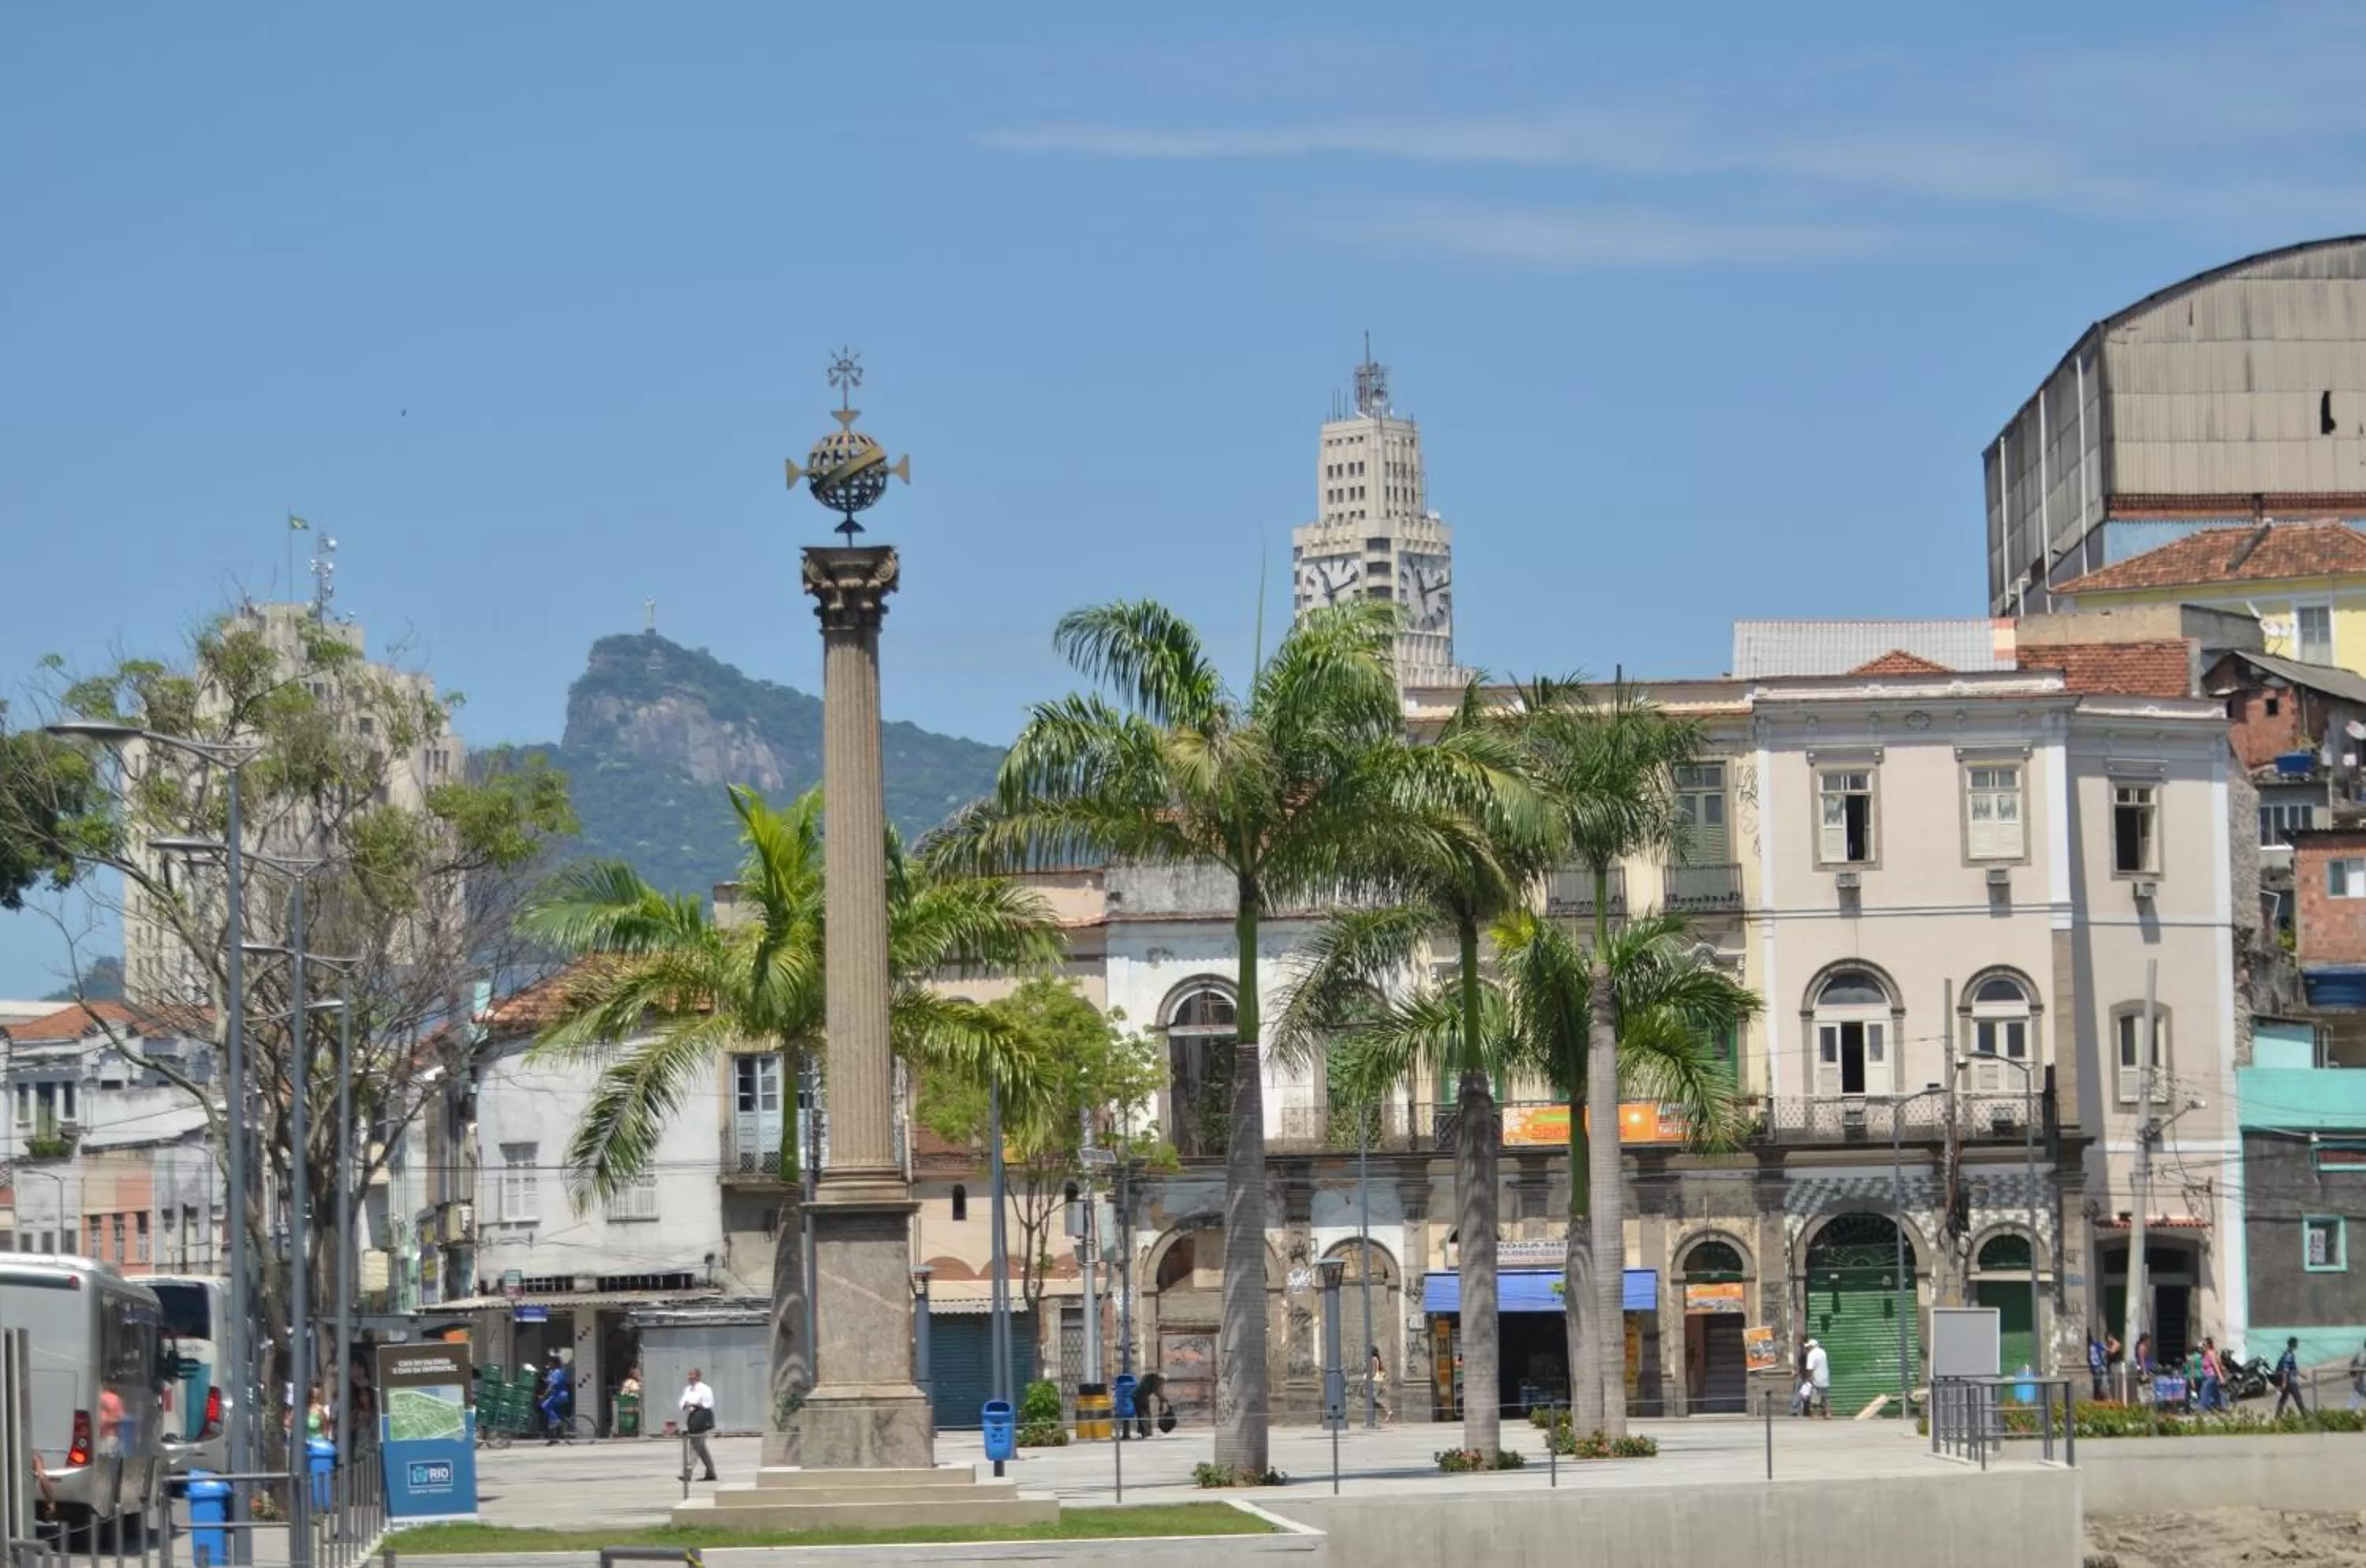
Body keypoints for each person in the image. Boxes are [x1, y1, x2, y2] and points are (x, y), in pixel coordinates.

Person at [679, 1368, 718, 1480]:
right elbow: (682, 1402)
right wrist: (685, 1404)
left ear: (698, 1377)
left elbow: (709, 1403)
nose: (690, 1377)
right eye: (689, 1375)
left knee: (695, 1447)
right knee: (701, 1448)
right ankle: (711, 1472)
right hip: (691, 1421)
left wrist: (696, 1404)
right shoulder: (688, 1390)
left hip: (701, 1421)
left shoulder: (705, 1389)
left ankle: (688, 1472)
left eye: (692, 1375)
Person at [539, 1357, 572, 1444]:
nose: (549, 1365)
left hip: (559, 1395)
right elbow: (549, 1381)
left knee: (546, 1406)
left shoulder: (557, 1372)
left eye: (550, 1363)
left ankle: (556, 1428)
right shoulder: (554, 1372)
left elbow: (552, 1385)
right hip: (558, 1395)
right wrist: (543, 1377)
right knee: (556, 1414)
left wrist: (545, 1395)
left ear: (555, 1364)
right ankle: (559, 1435)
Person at [2275, 1335, 2308, 1419]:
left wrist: (2301, 1375)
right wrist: (2284, 1383)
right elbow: (2285, 1370)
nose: (2298, 1345)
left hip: (2289, 1379)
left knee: (2283, 1399)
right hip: (2290, 1381)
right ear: (2293, 1344)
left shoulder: (2289, 1354)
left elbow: (2293, 1368)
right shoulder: (2288, 1355)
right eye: (2296, 1343)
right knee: (2298, 1398)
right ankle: (2305, 1416)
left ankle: (2277, 1417)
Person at [1804, 1337, 1831, 1419]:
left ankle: (1814, 1414)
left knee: (1815, 1396)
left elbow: (1810, 1368)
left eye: (1809, 1346)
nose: (1808, 1348)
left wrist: (1810, 1377)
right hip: (1825, 1377)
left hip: (1816, 1377)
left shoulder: (1811, 1354)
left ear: (1812, 1346)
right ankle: (1827, 1413)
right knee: (1825, 1396)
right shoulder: (1823, 1352)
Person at [1368, 1346, 1393, 1424]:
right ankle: (1384, 1414)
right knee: (1374, 1399)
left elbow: (1374, 1371)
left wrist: (1369, 1378)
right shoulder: (1377, 1359)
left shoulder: (1373, 1359)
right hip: (1379, 1381)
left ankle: (1387, 1411)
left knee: (1372, 1399)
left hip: (1376, 1381)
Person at [2200, 1338, 2226, 1413]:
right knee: (2216, 1393)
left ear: (2208, 1344)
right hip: (2207, 1376)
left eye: (2204, 1344)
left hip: (2211, 1376)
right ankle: (2221, 1406)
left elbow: (2215, 1365)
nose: (2203, 1346)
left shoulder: (2210, 1353)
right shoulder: (2206, 1353)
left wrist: (2221, 1378)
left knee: (2204, 1390)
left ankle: (2203, 1408)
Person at [2087, 1331, 2107, 1402]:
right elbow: (2106, 1349)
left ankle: (2101, 1396)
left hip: (2096, 1367)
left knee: (2098, 1383)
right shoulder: (2097, 1345)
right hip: (2100, 1365)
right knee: (2102, 1383)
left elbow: (2106, 1349)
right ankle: (2102, 1396)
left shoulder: (2090, 1347)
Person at [2349, 1338, 2366, 1415]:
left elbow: (2352, 1364)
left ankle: (2351, 1409)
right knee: (2357, 1393)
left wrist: (2353, 1375)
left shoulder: (2359, 1353)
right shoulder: (2362, 1354)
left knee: (2357, 1393)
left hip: (2359, 1379)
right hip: (2361, 1379)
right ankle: (2352, 1410)